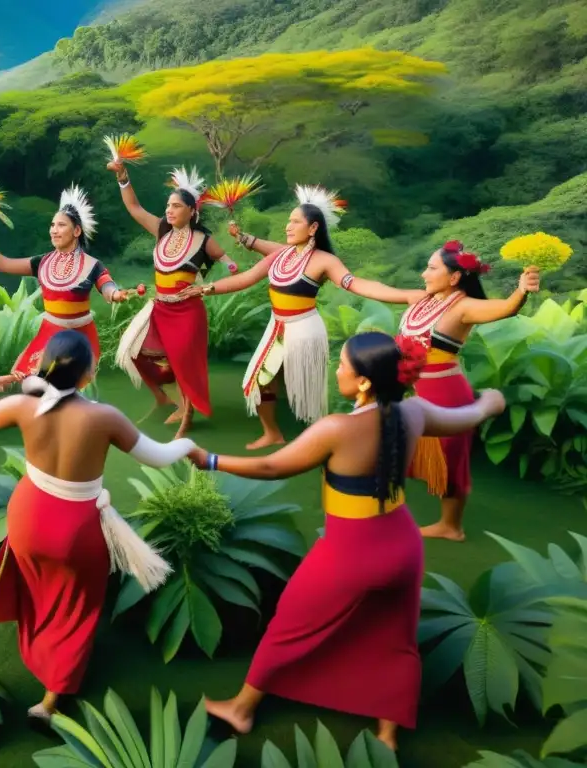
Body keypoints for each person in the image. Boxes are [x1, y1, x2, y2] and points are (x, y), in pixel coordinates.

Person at [188, 331, 506, 751]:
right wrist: (491, 401)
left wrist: (209, 459)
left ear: (364, 382)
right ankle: (388, 734)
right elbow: (469, 415)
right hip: (403, 545)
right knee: (396, 637)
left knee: (290, 625)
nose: (336, 369)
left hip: (350, 553)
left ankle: (241, 709)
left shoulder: (337, 429)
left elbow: (270, 466)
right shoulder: (415, 412)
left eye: (342, 365)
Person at [0, 330, 198, 720]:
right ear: (86, 375)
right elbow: (160, 457)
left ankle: (37, 650)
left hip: (27, 517)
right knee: (75, 608)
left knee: (41, 589)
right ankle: (50, 702)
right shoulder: (104, 416)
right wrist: (189, 447)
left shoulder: (21, 406)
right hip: (75, 531)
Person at [335, 240, 540, 541]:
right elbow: (376, 287)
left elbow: (505, 308)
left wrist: (522, 290)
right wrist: (342, 277)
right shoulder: (419, 299)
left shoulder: (463, 307)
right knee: (387, 445)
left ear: (454, 277)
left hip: (446, 394)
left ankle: (451, 527)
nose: (424, 274)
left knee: (448, 462)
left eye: (432, 268)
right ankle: (373, 504)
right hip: (409, 391)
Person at [185, 185, 383, 449]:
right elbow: (246, 277)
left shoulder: (323, 260)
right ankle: (273, 433)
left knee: (307, 389)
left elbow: (356, 284)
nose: (288, 226)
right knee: (259, 381)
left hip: (304, 328)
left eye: (295, 221)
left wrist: (404, 296)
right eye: (288, 220)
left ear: (313, 228)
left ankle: (330, 436)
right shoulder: (282, 255)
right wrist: (205, 288)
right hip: (277, 327)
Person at [109, 163, 236, 438]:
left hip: (188, 311)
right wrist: (123, 179)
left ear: (192, 211)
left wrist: (218, 275)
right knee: (134, 351)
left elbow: (230, 266)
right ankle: (166, 399)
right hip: (160, 308)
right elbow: (134, 208)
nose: (169, 210)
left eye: (176, 206)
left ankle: (187, 413)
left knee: (183, 361)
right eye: (168, 205)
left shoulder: (204, 240)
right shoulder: (161, 230)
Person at [0, 185, 131, 383]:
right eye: (52, 225)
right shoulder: (42, 262)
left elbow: (106, 285)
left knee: (61, 393)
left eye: (61, 225)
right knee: (31, 386)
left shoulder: (92, 265)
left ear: (77, 230)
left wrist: (114, 294)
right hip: (48, 336)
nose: (54, 230)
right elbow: (3, 264)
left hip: (79, 339)